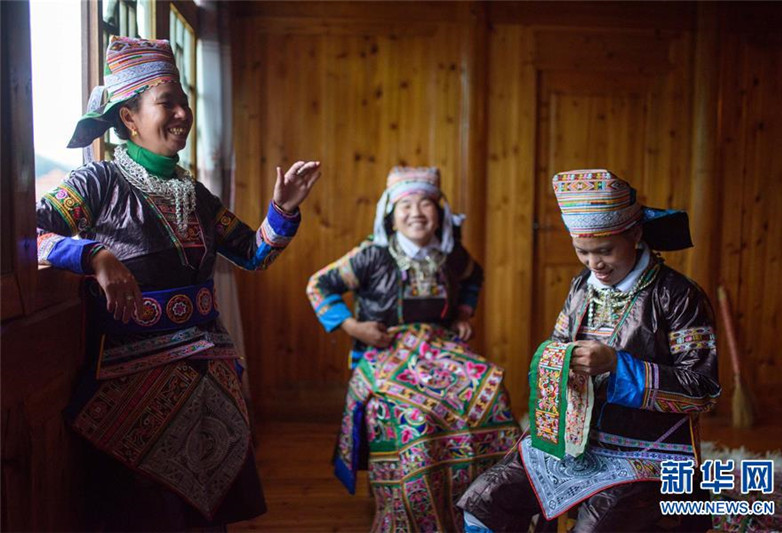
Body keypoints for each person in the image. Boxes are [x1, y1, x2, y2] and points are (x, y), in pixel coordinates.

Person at [35, 36, 321, 530]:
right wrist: (92, 254)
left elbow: (254, 255)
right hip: (132, 377)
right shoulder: (96, 184)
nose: (183, 113)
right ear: (129, 118)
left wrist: (285, 209)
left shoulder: (198, 196)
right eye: (168, 102)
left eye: (184, 101)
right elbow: (26, 235)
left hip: (208, 368)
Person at [457, 169, 721, 532]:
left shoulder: (677, 295)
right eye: (582, 251)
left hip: (648, 450)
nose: (595, 263)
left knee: (596, 524)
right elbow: (559, 347)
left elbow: (702, 391)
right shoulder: (582, 286)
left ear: (636, 234)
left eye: (605, 251)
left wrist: (617, 365)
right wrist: (560, 363)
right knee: (485, 498)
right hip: (575, 441)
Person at [306, 167, 521, 532]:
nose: (417, 212)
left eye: (426, 203)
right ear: (390, 213)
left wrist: (464, 314)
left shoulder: (451, 255)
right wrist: (353, 326)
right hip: (386, 352)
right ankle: (411, 512)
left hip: (440, 349)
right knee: (417, 418)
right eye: (406, 205)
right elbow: (318, 285)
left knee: (489, 394)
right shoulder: (371, 256)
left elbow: (475, 277)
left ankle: (480, 509)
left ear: (440, 213)